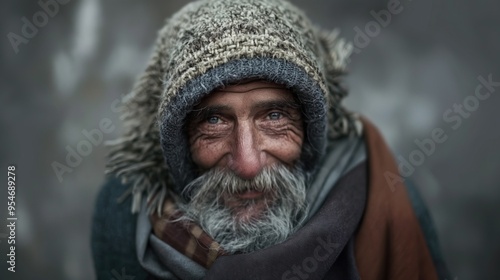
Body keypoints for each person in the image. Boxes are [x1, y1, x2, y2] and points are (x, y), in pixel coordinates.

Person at [91, 0, 451, 279]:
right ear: (179, 140)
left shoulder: (383, 197)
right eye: (215, 120)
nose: (247, 163)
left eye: (275, 116)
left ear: (311, 129)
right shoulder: (126, 212)